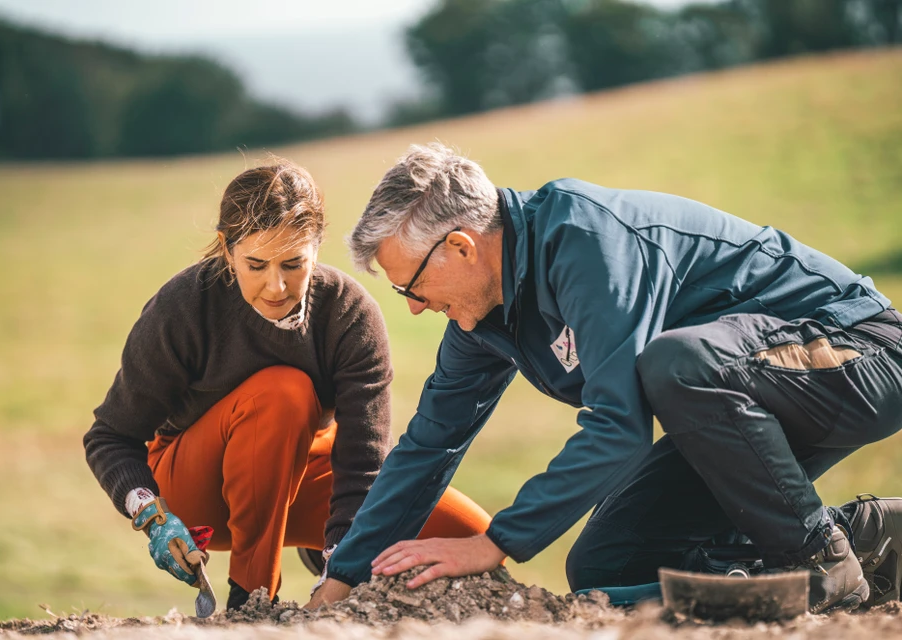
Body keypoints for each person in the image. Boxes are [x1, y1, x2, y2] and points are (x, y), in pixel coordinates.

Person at [308, 143, 902, 614]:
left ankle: (820, 563)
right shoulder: (481, 319)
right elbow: (429, 443)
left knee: (678, 362)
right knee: (609, 566)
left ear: (460, 247)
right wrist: (344, 577)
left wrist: (495, 542)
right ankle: (873, 538)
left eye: (410, 286)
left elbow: (618, 428)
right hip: (742, 399)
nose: (411, 307)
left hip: (857, 354)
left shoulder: (584, 240)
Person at [83, 159, 492, 611]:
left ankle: (320, 549)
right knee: (285, 392)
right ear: (226, 248)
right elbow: (110, 437)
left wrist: (343, 558)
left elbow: (363, 461)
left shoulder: (350, 315)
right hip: (196, 490)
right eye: (255, 265)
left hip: (298, 472)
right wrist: (153, 517)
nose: (275, 286)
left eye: (293, 264)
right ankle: (251, 601)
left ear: (317, 248)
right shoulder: (183, 308)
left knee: (470, 537)